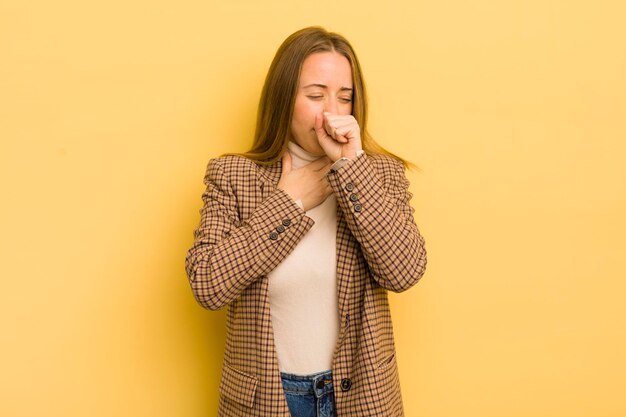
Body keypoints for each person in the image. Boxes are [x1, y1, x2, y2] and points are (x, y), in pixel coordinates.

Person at [185, 26, 427, 417]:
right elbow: (208, 284)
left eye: (344, 98)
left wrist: (351, 168)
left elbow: (404, 272)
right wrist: (289, 201)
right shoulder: (234, 175)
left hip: (361, 398)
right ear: (285, 99)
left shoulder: (378, 175)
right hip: (267, 399)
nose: (331, 111)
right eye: (316, 96)